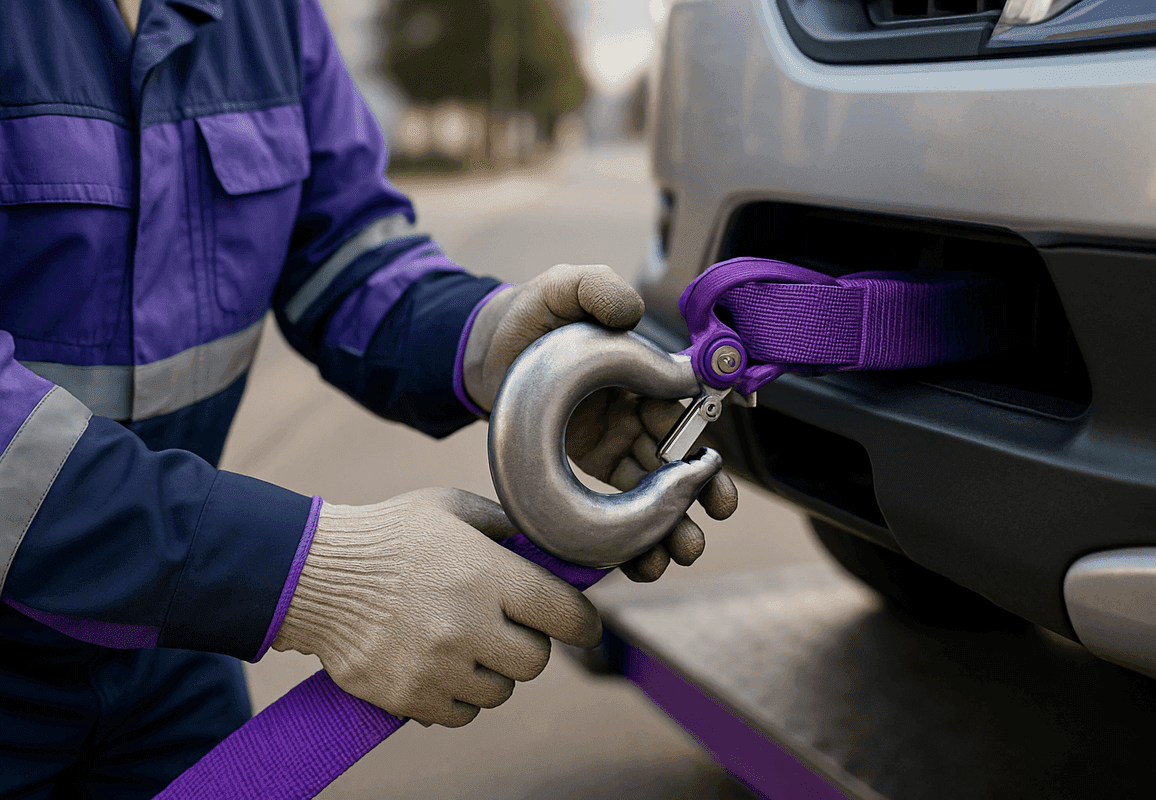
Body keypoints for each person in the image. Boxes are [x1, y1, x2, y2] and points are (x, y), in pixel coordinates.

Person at [0, 0, 737, 795]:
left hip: (165, 643)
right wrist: (316, 574)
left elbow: (344, 251)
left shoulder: (268, 17)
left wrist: (491, 342)